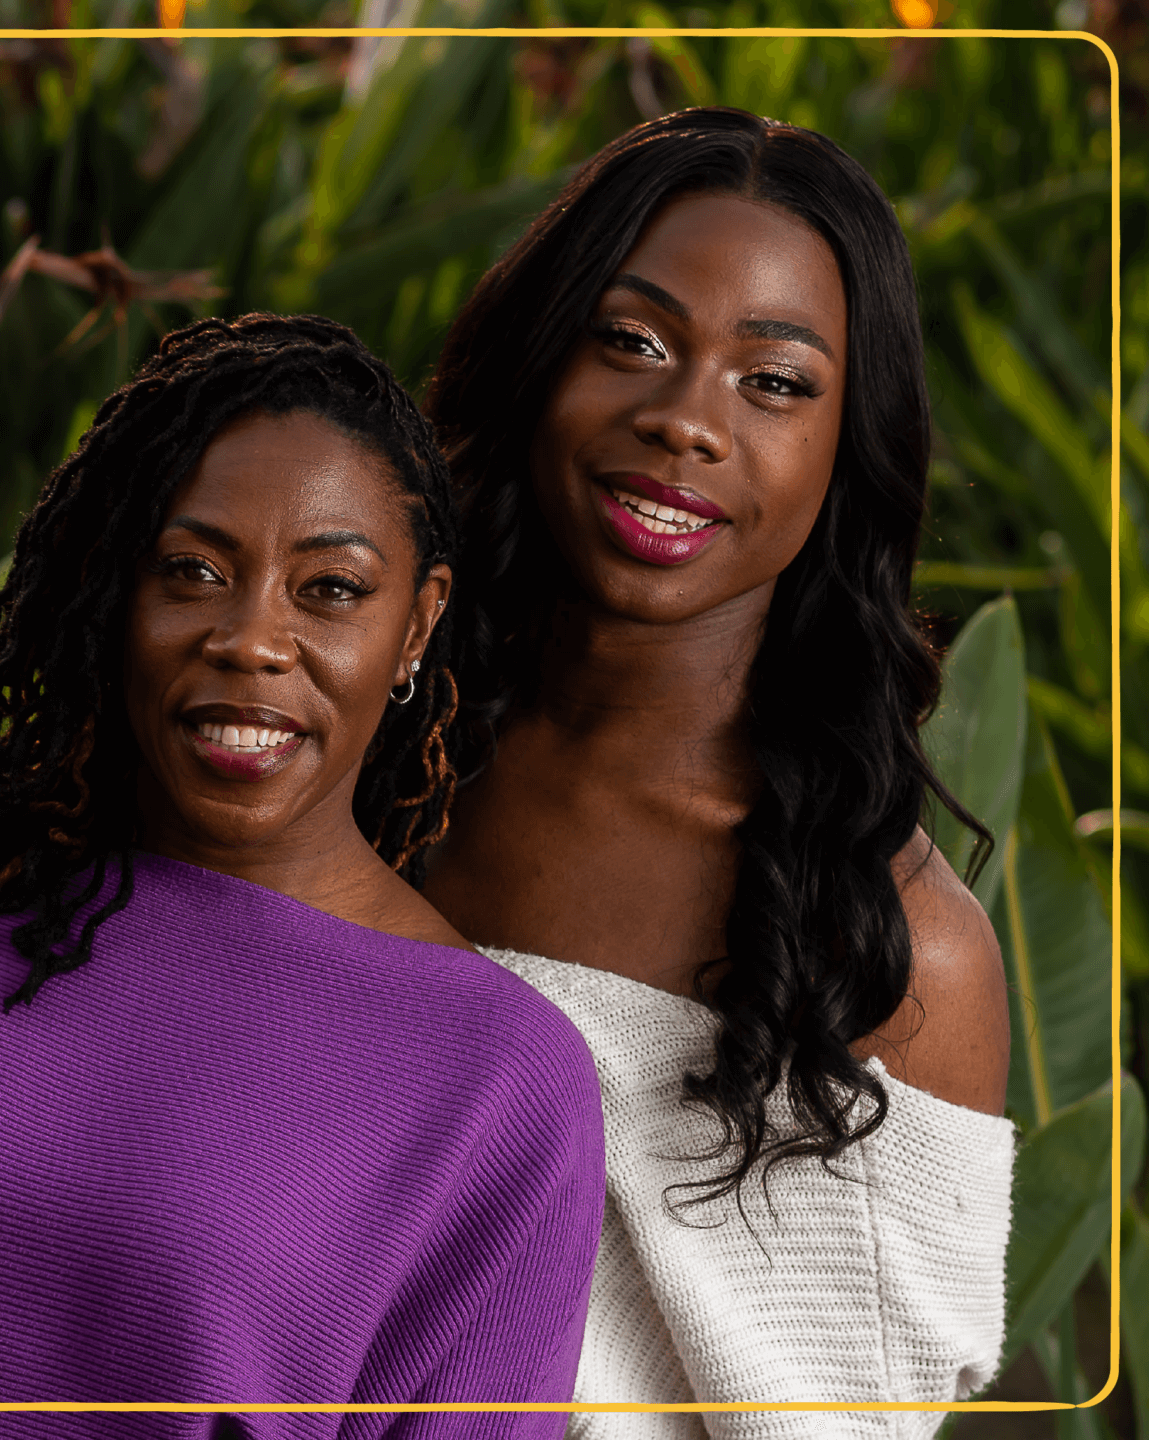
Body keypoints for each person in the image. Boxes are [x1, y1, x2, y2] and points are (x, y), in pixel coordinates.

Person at [0, 314, 605, 1435]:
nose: (250, 639)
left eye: (329, 589)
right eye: (192, 571)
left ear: (417, 620)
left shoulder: (496, 1079)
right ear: (114, 589)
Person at [421, 109, 1015, 1437]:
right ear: (539, 360)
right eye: (631, 342)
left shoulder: (886, 947)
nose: (686, 420)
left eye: (777, 381)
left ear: (845, 447)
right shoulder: (353, 757)